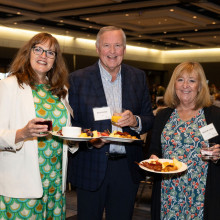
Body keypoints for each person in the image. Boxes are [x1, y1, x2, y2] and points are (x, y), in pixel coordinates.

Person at [68, 26, 154, 220]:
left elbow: (149, 119)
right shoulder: (77, 79)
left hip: (126, 167)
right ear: (98, 48)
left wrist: (135, 121)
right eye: (107, 45)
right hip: (90, 164)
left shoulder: (138, 77)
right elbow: (72, 123)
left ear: (124, 49)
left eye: (118, 45)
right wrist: (90, 139)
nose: (113, 51)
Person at [0, 32, 77, 219]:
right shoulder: (10, 85)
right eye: (39, 49)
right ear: (28, 52)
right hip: (21, 181)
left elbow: (62, 130)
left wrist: (75, 140)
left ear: (55, 60)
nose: (44, 56)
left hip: (54, 181)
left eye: (50, 53)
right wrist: (22, 133)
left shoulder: (60, 90)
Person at [147, 61, 220, 220]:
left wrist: (218, 155)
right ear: (174, 84)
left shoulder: (214, 115)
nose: (185, 85)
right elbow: (154, 149)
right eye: (180, 80)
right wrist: (154, 158)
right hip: (168, 190)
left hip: (201, 192)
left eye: (192, 81)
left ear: (200, 86)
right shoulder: (163, 115)